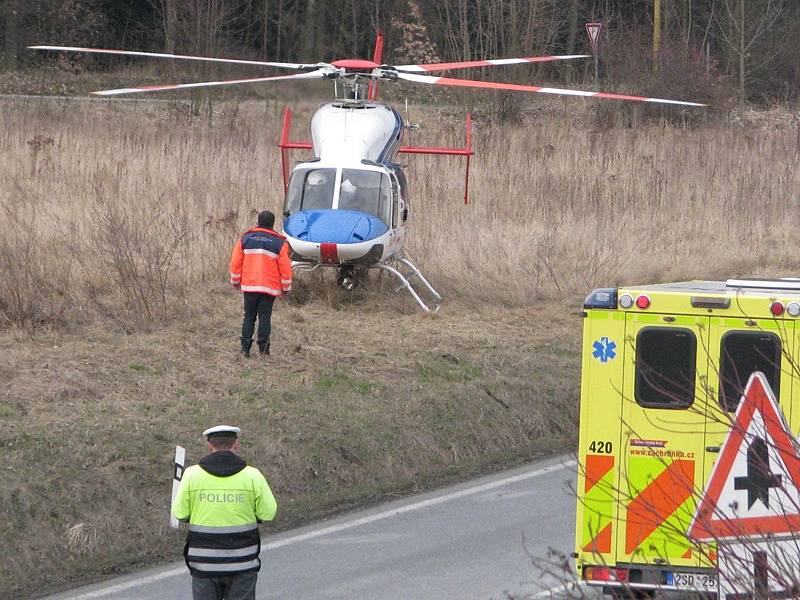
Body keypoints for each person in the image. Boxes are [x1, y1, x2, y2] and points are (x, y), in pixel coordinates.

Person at [171, 425, 278, 600]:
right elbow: (269, 513)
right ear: (236, 444)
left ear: (209, 445)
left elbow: (180, 513)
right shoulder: (252, 476)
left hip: (204, 565)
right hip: (243, 563)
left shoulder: (191, 475)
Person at [229, 211, 292, 357]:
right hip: (269, 287)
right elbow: (285, 268)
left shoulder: (245, 239)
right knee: (265, 317)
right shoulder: (279, 243)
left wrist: (236, 281)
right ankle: (264, 350)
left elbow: (235, 262)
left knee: (249, 316)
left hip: (249, 285)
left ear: (258, 222)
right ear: (272, 223)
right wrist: (286, 287)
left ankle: (245, 349)